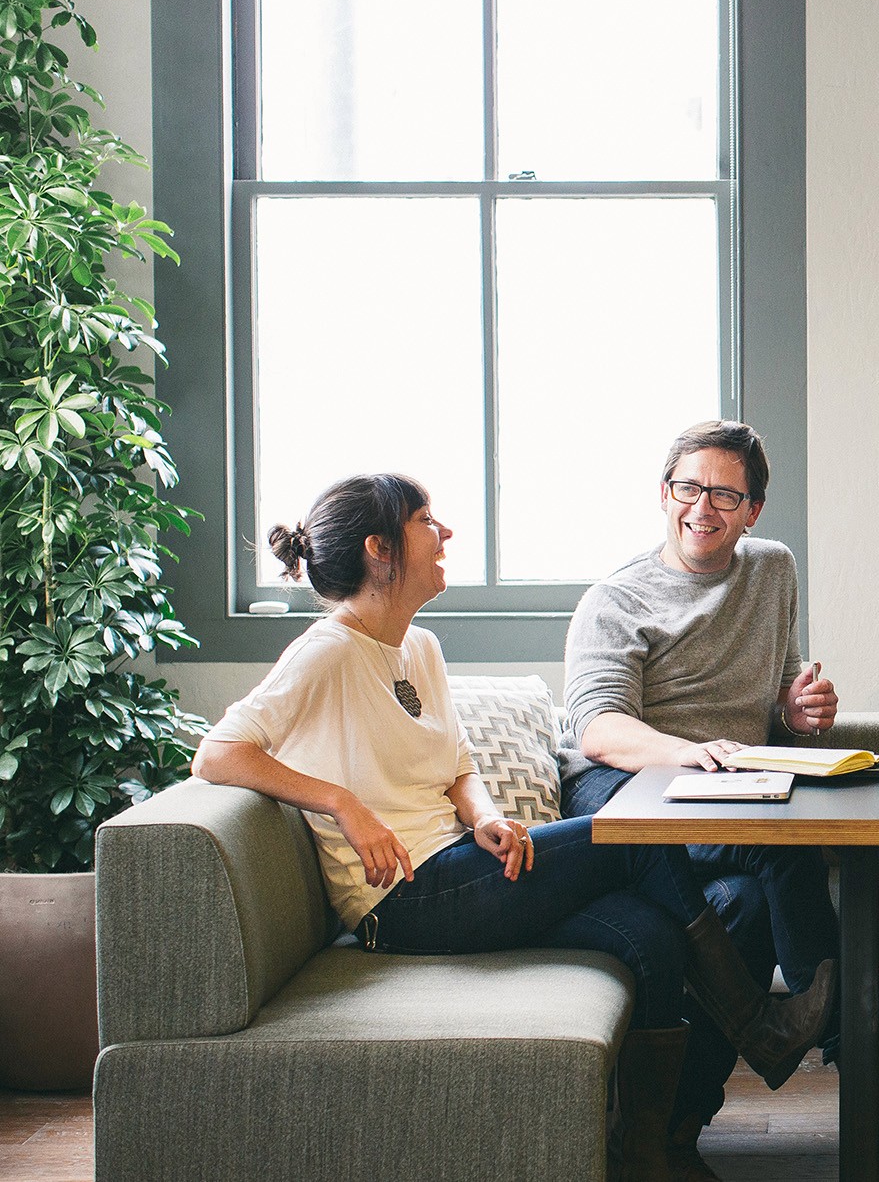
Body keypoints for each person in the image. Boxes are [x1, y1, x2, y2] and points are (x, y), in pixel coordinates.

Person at [190, 474, 833, 1182]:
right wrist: (342, 802)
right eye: (426, 520)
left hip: (460, 864)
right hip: (400, 900)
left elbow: (457, 763)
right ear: (380, 549)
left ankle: (648, 1153)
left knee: (650, 941)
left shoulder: (419, 646)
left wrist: (488, 814)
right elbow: (217, 751)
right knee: (629, 833)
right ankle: (760, 1026)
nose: (446, 533)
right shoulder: (328, 650)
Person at [560, 420, 879, 1164]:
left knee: (751, 899)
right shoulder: (615, 598)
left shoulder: (772, 571)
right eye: (688, 487)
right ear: (663, 494)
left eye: (725, 494)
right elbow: (598, 729)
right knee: (783, 849)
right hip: (626, 793)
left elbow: (775, 704)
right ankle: (873, 1065)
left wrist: (795, 712)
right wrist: (694, 755)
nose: (703, 506)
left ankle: (672, 1131)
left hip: (728, 789)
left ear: (753, 509)